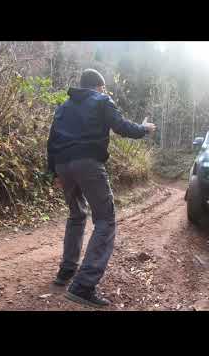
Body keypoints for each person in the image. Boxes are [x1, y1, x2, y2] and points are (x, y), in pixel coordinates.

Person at [47, 69, 156, 307]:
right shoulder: (102, 100)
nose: (104, 91)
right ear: (97, 86)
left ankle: (65, 272)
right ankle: (83, 286)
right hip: (88, 163)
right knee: (105, 220)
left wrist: (54, 172)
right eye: (103, 88)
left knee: (76, 215)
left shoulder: (63, 108)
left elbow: (51, 140)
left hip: (64, 165)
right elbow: (121, 127)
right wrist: (144, 129)